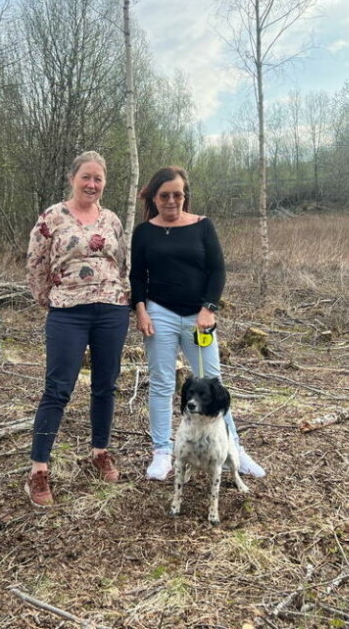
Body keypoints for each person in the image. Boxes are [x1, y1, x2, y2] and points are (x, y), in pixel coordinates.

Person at [130, 166, 265, 481]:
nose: (172, 201)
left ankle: (234, 449)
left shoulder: (203, 226)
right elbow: (137, 276)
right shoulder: (144, 232)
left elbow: (217, 271)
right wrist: (140, 310)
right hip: (159, 314)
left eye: (177, 195)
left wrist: (209, 308)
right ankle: (162, 452)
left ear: (185, 195)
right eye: (165, 195)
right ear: (154, 197)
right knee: (162, 383)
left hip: (198, 319)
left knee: (213, 383)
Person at [24, 150, 130, 507]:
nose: (92, 184)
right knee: (57, 389)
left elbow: (122, 264)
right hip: (68, 312)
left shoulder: (112, 220)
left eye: (98, 178)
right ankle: (39, 470)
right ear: (73, 178)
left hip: (111, 311)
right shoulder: (52, 217)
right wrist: (50, 299)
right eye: (86, 176)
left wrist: (122, 297)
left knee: (105, 385)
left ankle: (99, 452)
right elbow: (35, 263)